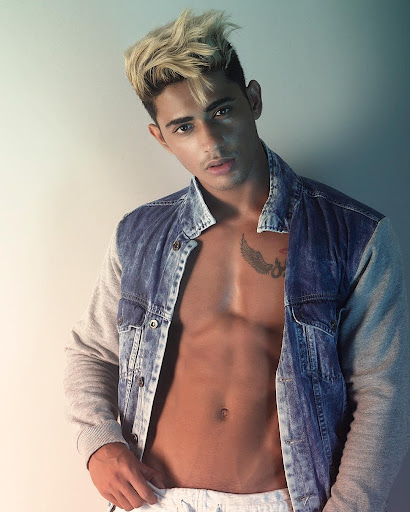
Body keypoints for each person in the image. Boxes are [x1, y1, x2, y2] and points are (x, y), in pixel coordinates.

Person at [64, 8, 410, 512]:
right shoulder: (138, 235)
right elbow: (92, 351)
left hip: (283, 501)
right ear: (161, 137)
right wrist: (98, 442)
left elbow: (383, 393)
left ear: (253, 100)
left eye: (221, 111)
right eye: (184, 127)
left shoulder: (355, 235)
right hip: (154, 500)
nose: (210, 142)